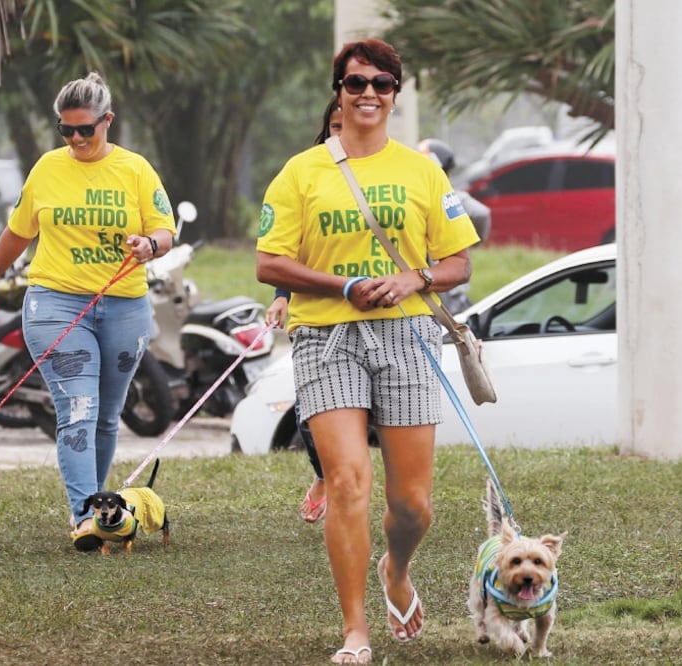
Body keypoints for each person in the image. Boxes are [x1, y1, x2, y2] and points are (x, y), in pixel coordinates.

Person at [256, 39, 480, 664]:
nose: (369, 95)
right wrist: (344, 286)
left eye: (382, 84)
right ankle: (355, 630)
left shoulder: (421, 170)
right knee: (349, 482)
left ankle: (397, 570)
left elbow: (458, 259)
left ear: (395, 94)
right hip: (325, 337)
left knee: (412, 505)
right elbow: (269, 261)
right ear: (339, 91)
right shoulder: (301, 172)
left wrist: (415, 278)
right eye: (356, 83)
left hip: (406, 333)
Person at [0, 72, 176, 553]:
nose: (78, 139)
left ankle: (100, 510)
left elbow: (166, 230)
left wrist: (150, 244)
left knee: (108, 415)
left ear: (108, 121)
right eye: (68, 131)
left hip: (124, 305)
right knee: (78, 410)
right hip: (56, 303)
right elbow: (18, 232)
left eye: (87, 129)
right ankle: (86, 514)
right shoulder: (47, 169)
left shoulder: (135, 169)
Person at [265, 94, 342, 524]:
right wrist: (281, 295)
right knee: (309, 412)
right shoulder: (305, 172)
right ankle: (324, 475)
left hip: (382, 319)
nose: (342, 135)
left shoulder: (394, 171)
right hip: (316, 317)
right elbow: (285, 250)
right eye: (335, 127)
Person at [417, 138, 492, 312]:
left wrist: (468, 241)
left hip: (444, 285)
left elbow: (481, 214)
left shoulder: (449, 196)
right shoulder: (448, 196)